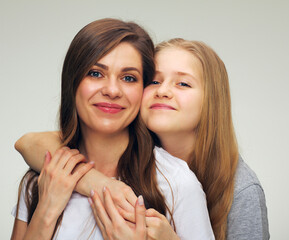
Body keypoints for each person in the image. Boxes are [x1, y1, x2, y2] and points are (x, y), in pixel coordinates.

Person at [16, 37, 269, 240]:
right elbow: (29, 142)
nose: (163, 91)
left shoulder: (233, 188)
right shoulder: (52, 176)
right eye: (154, 80)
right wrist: (98, 183)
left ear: (212, 102)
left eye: (183, 84)